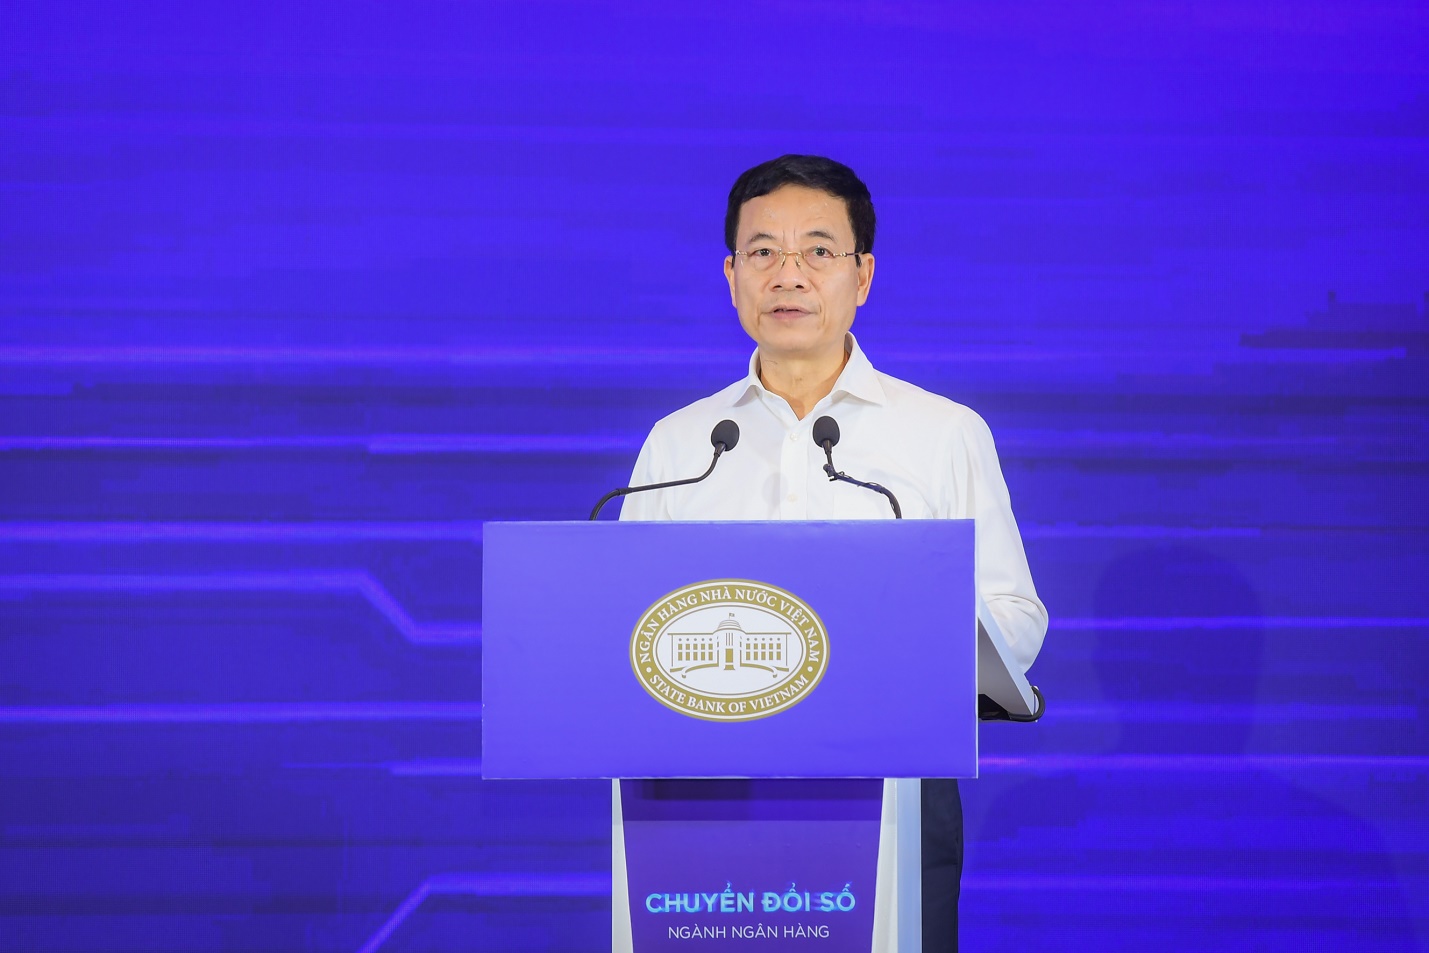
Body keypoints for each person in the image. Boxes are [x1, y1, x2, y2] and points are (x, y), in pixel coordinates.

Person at [619, 154, 1047, 950]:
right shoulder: (681, 443)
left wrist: (917, 626)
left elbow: (1015, 620)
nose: (788, 275)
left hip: (892, 789)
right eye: (762, 252)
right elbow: (625, 628)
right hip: (705, 796)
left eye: (817, 251)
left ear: (863, 275)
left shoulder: (942, 433)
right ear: (731, 276)